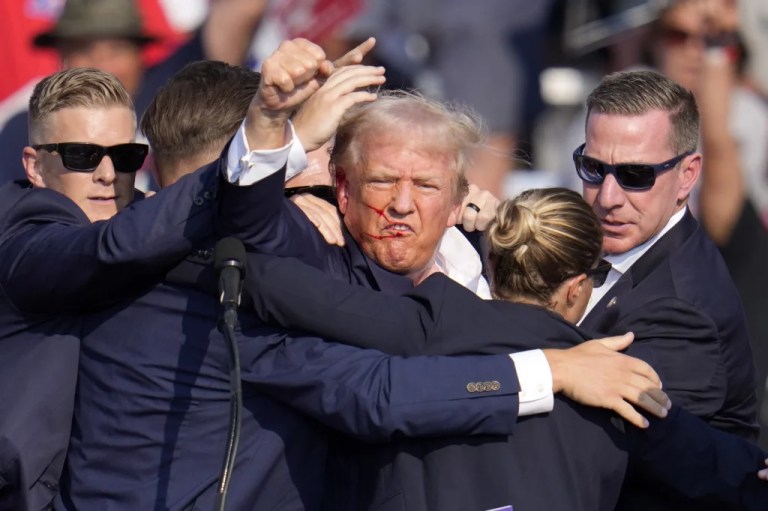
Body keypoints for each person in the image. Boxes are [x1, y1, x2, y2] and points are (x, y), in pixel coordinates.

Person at [55, 43, 664, 510]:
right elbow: (378, 393)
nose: (401, 205)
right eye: (378, 182)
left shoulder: (480, 252)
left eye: (425, 186)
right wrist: (552, 369)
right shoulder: (245, 271)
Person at [242, 188, 768, 510]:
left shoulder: (419, 329)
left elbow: (295, 293)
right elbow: (720, 467)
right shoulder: (615, 387)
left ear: (491, 268)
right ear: (575, 288)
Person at [0, 65, 292, 510]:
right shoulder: (21, 232)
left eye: (124, 157)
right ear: (34, 166)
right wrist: (258, 151)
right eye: (80, 155)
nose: (106, 174)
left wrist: (306, 199)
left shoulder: (141, 219)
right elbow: (105, 250)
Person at [574, 69, 758, 510]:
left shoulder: (684, 310)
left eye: (636, 175)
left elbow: (592, 440)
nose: (608, 197)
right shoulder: (612, 243)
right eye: (594, 169)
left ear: (687, 175)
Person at [0, 0, 267, 185]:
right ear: (61, 57)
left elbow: (241, 10)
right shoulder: (26, 126)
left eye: (116, 50)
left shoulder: (172, 94)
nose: (101, 65)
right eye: (84, 50)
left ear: (140, 56)